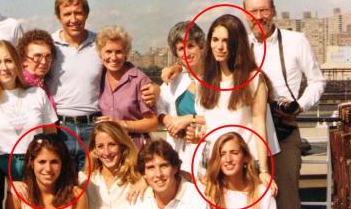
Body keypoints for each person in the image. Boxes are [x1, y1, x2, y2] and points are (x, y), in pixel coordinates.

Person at [244, 0, 326, 209]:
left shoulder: (296, 41)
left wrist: (299, 106)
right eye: (254, 11)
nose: (260, 17)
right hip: (250, 136)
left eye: (265, 10)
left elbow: (317, 81)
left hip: (285, 131)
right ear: (245, 14)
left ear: (274, 11)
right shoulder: (241, 47)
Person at [46, 0, 158, 171]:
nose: (73, 19)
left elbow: (125, 69)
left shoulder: (99, 43)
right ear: (59, 17)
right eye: (67, 14)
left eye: (78, 13)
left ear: (86, 14)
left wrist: (155, 88)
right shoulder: (50, 45)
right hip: (59, 129)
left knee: (93, 186)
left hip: (94, 127)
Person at [194, 14, 279, 191]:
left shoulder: (254, 79)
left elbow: (259, 125)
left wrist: (263, 170)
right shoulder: (203, 80)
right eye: (215, 39)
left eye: (226, 41)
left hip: (244, 166)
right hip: (211, 166)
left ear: (237, 44)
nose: (220, 46)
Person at [0, 40, 57, 179]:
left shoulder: (37, 93)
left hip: (36, 165)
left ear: (17, 62)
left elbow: (51, 137)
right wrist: (7, 182)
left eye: (8, 61)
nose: (4, 67)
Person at [95, 25, 157, 149]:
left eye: (118, 52)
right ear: (100, 53)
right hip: (107, 149)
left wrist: (121, 124)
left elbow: (153, 123)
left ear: (126, 54)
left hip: (134, 147)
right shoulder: (97, 78)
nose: (113, 58)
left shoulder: (139, 79)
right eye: (108, 52)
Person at [156, 21, 206, 172]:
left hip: (209, 152)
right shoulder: (175, 79)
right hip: (181, 154)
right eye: (180, 48)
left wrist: (188, 120)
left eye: (190, 46)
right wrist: (170, 122)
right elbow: (158, 106)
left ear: (201, 46)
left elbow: (225, 116)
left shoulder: (216, 78)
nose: (186, 53)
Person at [17, 29, 57, 111]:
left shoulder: (41, 83)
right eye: (37, 56)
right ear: (23, 59)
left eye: (48, 56)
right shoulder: (19, 87)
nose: (44, 62)